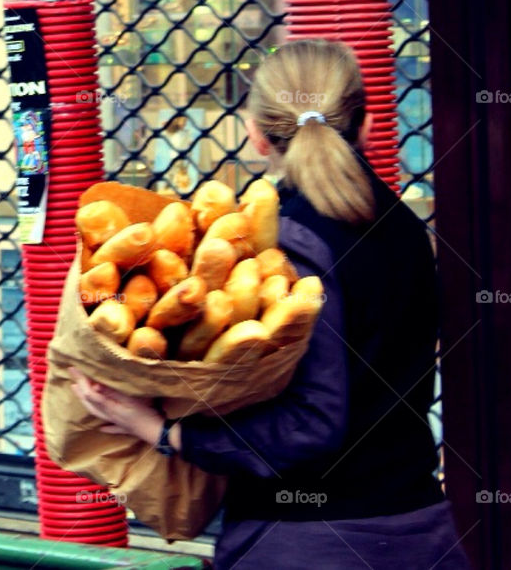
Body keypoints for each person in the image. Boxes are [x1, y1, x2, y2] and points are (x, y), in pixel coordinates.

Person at [70, 40, 472, 569]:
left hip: (307, 544)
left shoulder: (278, 251)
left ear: (256, 136)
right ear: (369, 124)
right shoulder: (405, 228)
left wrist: (162, 431)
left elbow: (312, 424)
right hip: (423, 531)